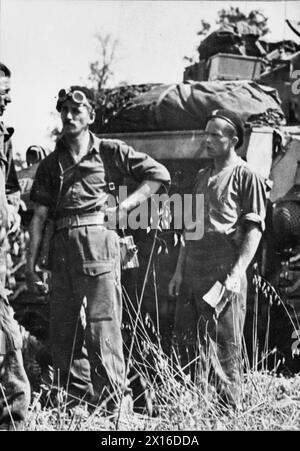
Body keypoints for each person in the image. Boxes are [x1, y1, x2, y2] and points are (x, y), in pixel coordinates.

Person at [26, 86, 170, 415]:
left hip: (99, 241)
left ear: (91, 116)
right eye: (63, 110)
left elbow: (157, 174)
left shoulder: (109, 151)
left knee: (102, 322)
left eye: (77, 111)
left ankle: (112, 401)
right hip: (61, 245)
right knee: (63, 325)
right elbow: (39, 217)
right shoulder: (50, 164)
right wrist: (31, 262)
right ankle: (76, 398)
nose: (69, 115)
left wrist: (125, 209)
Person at [169, 109, 268, 408]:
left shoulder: (246, 175)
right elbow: (192, 228)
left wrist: (236, 273)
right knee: (190, 340)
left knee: (225, 343)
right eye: (206, 133)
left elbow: (254, 230)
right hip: (195, 264)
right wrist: (178, 272)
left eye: (215, 135)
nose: (207, 140)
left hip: (225, 265)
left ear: (233, 140)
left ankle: (229, 410)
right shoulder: (202, 176)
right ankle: (197, 405)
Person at [0, 62, 31, 430]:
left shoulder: (4, 137)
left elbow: (10, 185)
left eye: (8, 93)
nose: (6, 99)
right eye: (1, 93)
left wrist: (11, 206)